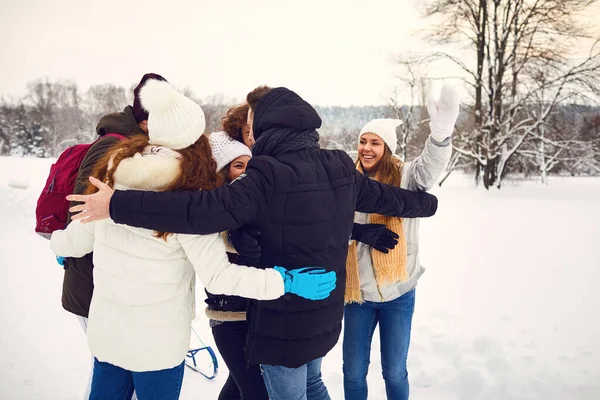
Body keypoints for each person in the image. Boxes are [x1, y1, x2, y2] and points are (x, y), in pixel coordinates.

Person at [67, 85, 439, 400]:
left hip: (282, 323)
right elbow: (387, 198)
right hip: (325, 311)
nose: (249, 132)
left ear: (266, 127)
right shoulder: (339, 165)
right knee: (313, 381)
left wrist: (117, 203)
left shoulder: (267, 175)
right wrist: (429, 204)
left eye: (250, 125)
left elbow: (199, 211)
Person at [50, 80, 336, 400]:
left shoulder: (112, 179)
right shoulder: (187, 200)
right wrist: (285, 281)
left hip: (107, 339)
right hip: (158, 347)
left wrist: (59, 246)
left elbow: (72, 242)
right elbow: (220, 275)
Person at [342, 85, 460, 400]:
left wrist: (441, 134)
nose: (366, 149)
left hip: (399, 292)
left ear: (388, 148)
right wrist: (358, 231)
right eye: (363, 142)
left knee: (395, 372)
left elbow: (430, 168)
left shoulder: (406, 177)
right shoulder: (344, 181)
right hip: (357, 295)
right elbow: (327, 224)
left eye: (375, 143)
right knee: (353, 373)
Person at [62, 72, 166, 400]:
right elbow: (80, 209)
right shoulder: (112, 145)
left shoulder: (147, 149)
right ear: (147, 120)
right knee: (110, 372)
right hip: (95, 280)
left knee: (122, 373)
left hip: (120, 284)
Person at [205, 130, 269, 400]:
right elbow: (210, 247)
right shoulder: (213, 205)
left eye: (249, 166)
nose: (244, 173)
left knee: (238, 384)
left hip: (256, 311)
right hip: (227, 316)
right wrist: (233, 237)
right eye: (237, 166)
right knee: (255, 391)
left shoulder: (256, 202)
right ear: (222, 171)